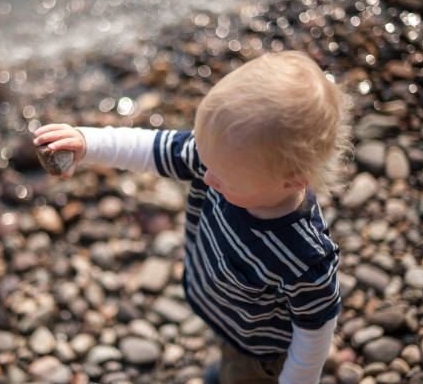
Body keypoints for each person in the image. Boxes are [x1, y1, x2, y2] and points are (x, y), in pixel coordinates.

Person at [32, 50, 352, 384]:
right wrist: (88, 141)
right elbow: (151, 148)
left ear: (293, 180)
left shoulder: (303, 256)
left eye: (222, 177)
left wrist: (298, 377)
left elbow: (315, 329)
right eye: (204, 157)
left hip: (261, 351)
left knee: (242, 374)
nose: (206, 176)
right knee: (228, 358)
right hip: (230, 316)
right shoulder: (222, 158)